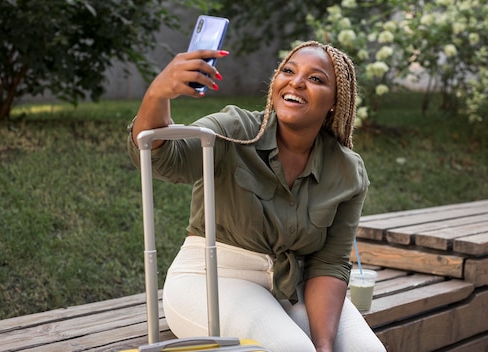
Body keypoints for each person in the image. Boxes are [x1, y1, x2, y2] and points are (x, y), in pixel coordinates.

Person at [127, 40, 386, 352]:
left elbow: (329, 264)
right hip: (209, 281)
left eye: (316, 79)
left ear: (336, 100)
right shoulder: (235, 128)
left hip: (290, 287)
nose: (297, 82)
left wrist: (325, 346)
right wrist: (159, 92)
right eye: (288, 71)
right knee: (292, 349)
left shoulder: (346, 170)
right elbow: (162, 157)